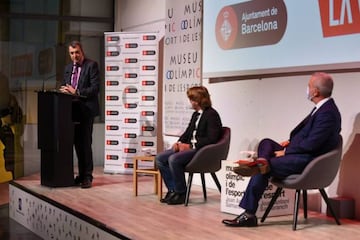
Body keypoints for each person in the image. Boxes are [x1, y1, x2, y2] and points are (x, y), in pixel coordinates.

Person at [222, 72, 341, 227]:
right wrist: (290, 142)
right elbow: (309, 135)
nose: (307, 89)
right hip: (299, 153)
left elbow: (313, 144)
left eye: (309, 86)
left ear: (316, 92)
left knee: (263, 169)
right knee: (266, 143)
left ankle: (249, 213)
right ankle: (262, 161)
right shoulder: (321, 108)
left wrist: (286, 151)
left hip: (308, 161)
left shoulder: (328, 113)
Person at [156, 86, 223, 205]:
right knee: (160, 158)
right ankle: (173, 190)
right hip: (191, 148)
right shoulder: (196, 114)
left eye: (192, 99)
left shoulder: (212, 115)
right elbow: (188, 132)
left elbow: (212, 139)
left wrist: (191, 146)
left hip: (201, 151)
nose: (190, 102)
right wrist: (179, 143)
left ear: (198, 100)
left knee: (173, 159)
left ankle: (181, 193)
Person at [59, 41, 100, 189]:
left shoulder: (91, 65)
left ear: (82, 52)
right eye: (72, 53)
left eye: (77, 52)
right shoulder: (68, 68)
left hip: (86, 111)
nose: (74, 56)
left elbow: (95, 89)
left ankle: (88, 176)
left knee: (85, 144)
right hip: (71, 111)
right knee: (76, 144)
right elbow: (65, 85)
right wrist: (63, 91)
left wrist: (77, 93)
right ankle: (81, 175)